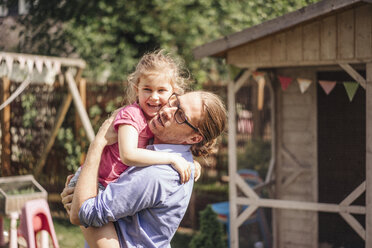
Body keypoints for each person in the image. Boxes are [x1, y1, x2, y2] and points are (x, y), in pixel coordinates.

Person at [61, 91, 227, 248]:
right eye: (175, 101)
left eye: (181, 115)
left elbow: (84, 213)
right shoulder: (160, 154)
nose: (168, 110)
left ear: (194, 138)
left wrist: (99, 141)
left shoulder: (157, 173)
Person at [69, 50, 197, 193]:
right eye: (147, 89)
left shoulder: (160, 120)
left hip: (110, 185)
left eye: (161, 90)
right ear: (137, 89)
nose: (154, 97)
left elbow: (168, 145)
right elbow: (128, 155)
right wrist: (173, 159)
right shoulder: (132, 114)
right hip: (96, 181)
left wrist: (191, 163)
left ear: (173, 92)